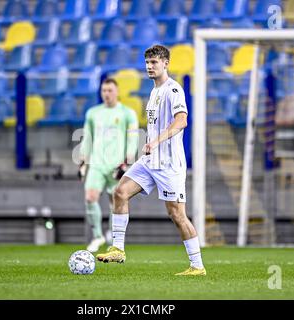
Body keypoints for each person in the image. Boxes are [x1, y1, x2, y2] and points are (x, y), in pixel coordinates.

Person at [96, 45, 206, 276]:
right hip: (150, 160)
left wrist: (155, 141)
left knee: (177, 214)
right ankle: (118, 248)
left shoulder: (173, 90)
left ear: (166, 63)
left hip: (169, 164)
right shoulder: (154, 91)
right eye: (147, 63)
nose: (149, 66)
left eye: (154, 62)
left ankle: (197, 266)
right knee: (120, 192)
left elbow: (182, 121)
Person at [79, 78, 139, 253]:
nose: (106, 94)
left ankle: (114, 238)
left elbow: (133, 138)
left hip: (116, 165)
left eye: (110, 90)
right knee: (90, 197)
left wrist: (126, 163)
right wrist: (83, 162)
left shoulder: (127, 113)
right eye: (104, 90)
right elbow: (87, 137)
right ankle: (97, 236)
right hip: (97, 163)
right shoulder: (93, 113)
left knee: (117, 203)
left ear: (117, 91)